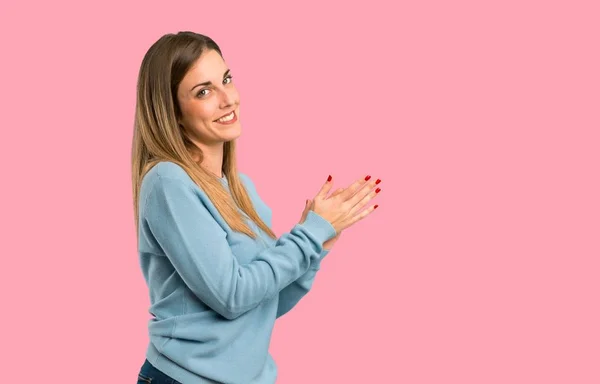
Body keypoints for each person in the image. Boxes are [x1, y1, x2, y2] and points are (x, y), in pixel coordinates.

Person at [131, 31, 381, 384]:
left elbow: (262, 306)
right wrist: (307, 236)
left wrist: (318, 247)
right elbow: (232, 297)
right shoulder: (168, 183)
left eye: (226, 80)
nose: (227, 98)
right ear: (172, 113)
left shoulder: (239, 189)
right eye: (203, 91)